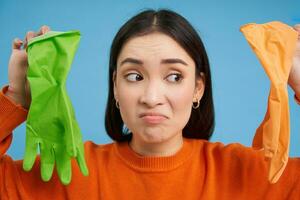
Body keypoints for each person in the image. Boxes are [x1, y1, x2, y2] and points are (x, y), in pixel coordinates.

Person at [1, 9, 300, 199]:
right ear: (115, 87)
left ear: (198, 88)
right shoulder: (70, 175)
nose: (152, 97)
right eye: (134, 76)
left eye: (173, 76)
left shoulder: (247, 174)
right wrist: (16, 97)